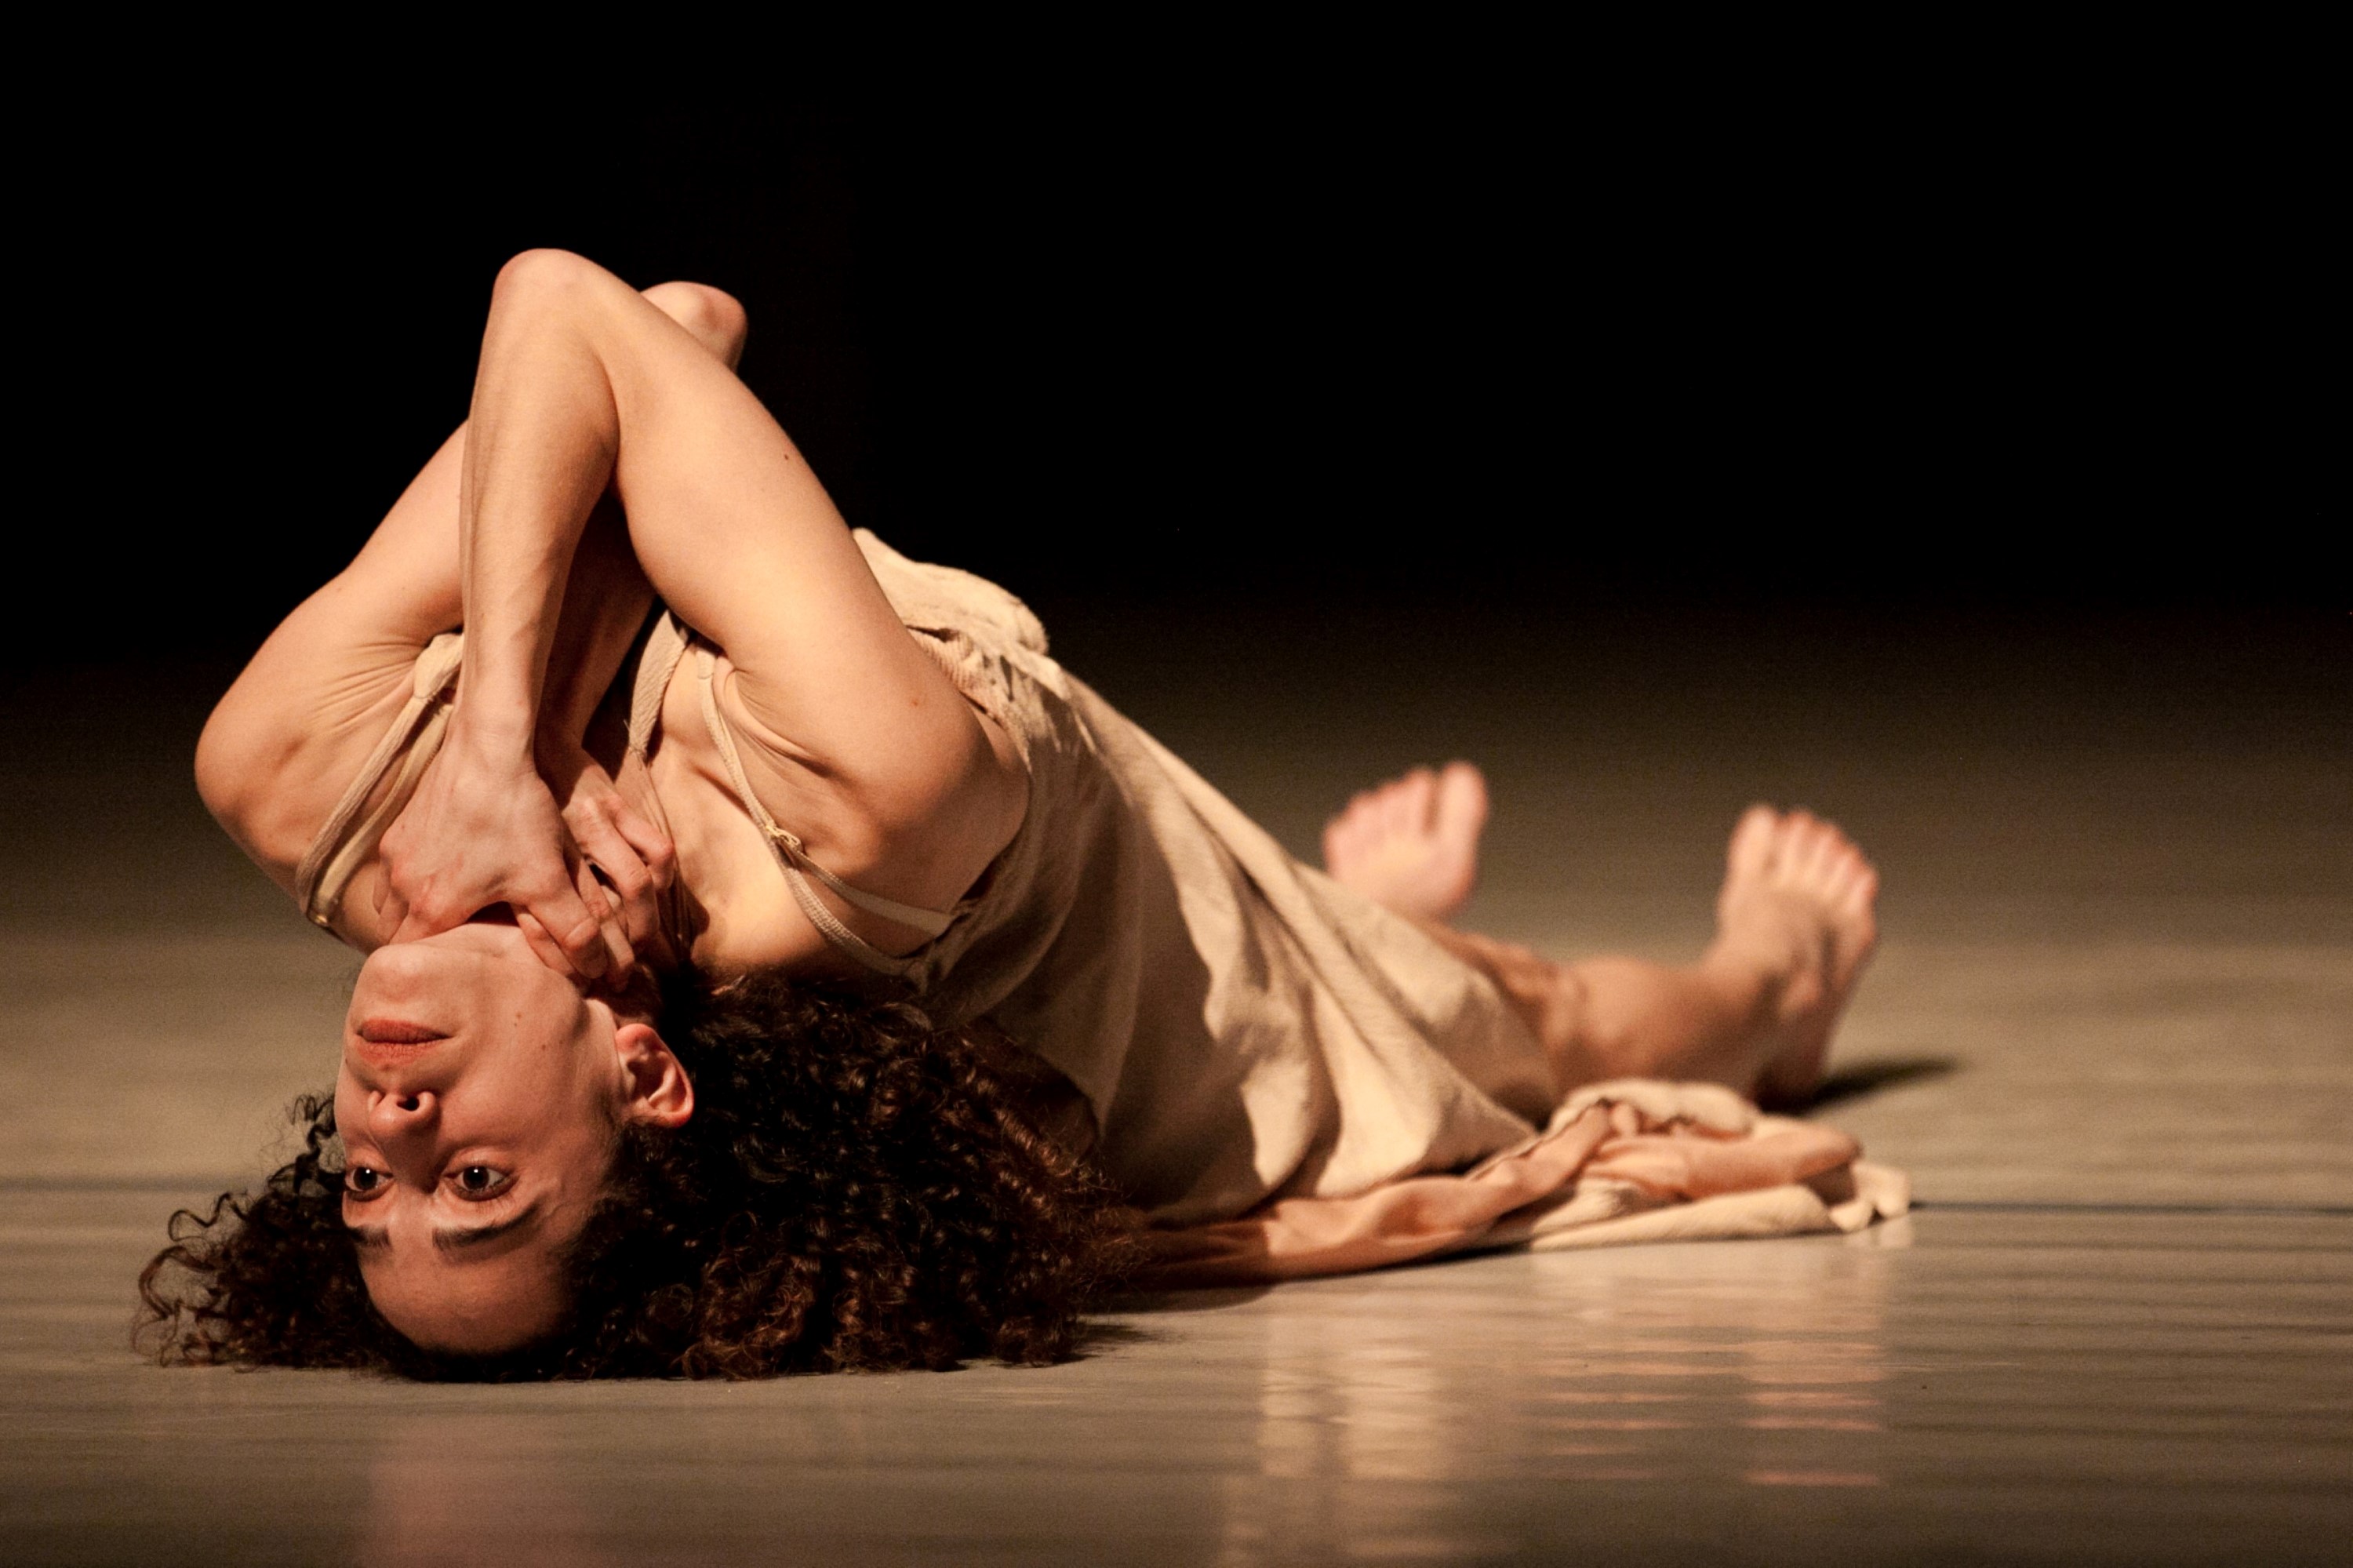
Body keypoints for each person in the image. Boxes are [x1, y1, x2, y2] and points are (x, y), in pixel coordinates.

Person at [140, 252, 1889, 1381]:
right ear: (648, 1074)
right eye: (477, 1178)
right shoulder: (858, 825)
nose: (395, 1121)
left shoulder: (289, 777)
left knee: (1406, 957)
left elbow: (667, 319)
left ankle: (1374, 917)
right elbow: (591, 327)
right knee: (1529, 1029)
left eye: (367, 1180)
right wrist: (508, 747)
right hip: (1166, 1018)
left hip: (1029, 924)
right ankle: (1778, 979)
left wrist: (503, 755)